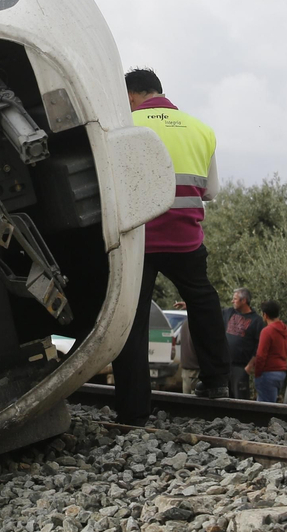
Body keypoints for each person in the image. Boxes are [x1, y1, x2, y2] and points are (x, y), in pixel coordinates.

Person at [111, 68, 229, 424]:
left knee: (131, 317)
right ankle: (217, 380)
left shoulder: (123, 126)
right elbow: (211, 192)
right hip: (185, 240)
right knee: (203, 300)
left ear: (131, 95)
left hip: (139, 239)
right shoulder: (201, 130)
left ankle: (133, 410)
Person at [247, 300, 287, 403]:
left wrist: (257, 373)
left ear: (265, 315)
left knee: (265, 406)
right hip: (280, 371)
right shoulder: (284, 329)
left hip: (268, 372)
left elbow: (261, 355)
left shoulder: (267, 331)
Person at [223, 288, 260, 399]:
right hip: (225, 365)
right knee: (224, 397)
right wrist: (191, 305)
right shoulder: (229, 312)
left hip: (241, 367)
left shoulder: (256, 320)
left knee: (240, 399)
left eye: (235, 299)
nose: (232, 301)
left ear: (243, 300)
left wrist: (249, 367)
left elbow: (259, 346)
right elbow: (211, 310)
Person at [173, 302, 199, 394]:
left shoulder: (185, 324)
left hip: (186, 370)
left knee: (187, 399)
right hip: (196, 371)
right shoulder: (200, 325)